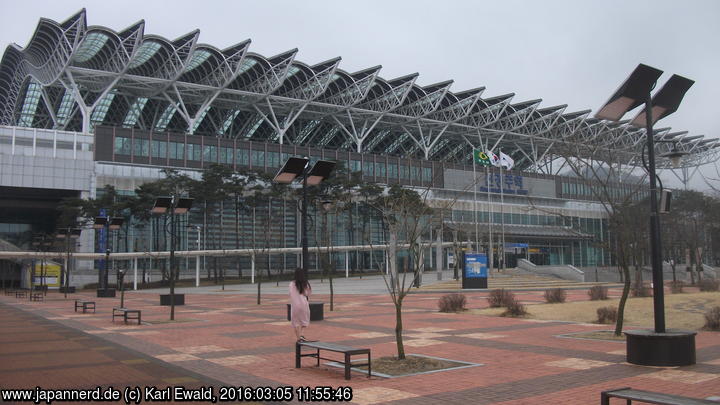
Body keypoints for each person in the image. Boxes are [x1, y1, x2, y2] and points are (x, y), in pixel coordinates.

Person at [289, 268, 312, 342]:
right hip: (304, 304)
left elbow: (290, 294)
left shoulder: (291, 284)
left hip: (295, 305)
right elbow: (308, 293)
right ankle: (302, 334)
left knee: (295, 322)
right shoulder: (305, 283)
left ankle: (298, 338)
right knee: (305, 320)